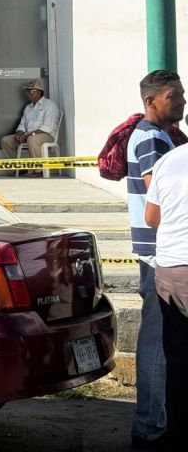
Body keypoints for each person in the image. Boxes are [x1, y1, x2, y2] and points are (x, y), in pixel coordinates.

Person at [127, 69, 185, 448]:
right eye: (173, 96)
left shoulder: (157, 135)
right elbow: (160, 202)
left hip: (159, 252)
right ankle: (150, 425)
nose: (182, 101)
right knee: (158, 342)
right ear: (151, 102)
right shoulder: (151, 138)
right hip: (158, 255)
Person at [145, 137, 188, 448]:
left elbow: (151, 218)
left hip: (171, 268)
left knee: (179, 356)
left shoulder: (166, 161)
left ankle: (177, 433)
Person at [0, 78, 61, 178]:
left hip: (47, 135)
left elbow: (47, 128)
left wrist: (28, 135)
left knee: (32, 139)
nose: (27, 93)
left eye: (30, 91)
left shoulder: (50, 105)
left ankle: (38, 169)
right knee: (6, 141)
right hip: (28, 135)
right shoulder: (28, 108)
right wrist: (19, 133)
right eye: (27, 91)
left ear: (39, 92)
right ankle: (19, 168)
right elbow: (22, 125)